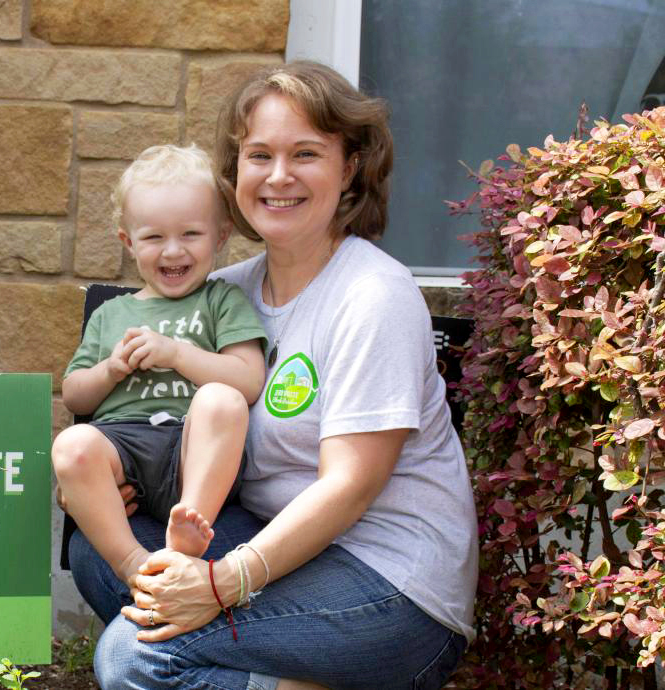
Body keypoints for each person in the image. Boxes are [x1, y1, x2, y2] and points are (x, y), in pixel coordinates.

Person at [68, 62, 479, 690]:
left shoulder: (373, 295)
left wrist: (219, 584)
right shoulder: (222, 296)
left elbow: (349, 489)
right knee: (100, 548)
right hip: (273, 541)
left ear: (349, 166)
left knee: (136, 657)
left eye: (305, 153)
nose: (279, 176)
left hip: (388, 583)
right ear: (236, 174)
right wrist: (126, 479)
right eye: (259, 155)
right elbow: (168, 428)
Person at [54, 144, 269, 590]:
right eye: (154, 237)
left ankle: (189, 524)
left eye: (191, 234)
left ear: (220, 235)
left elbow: (248, 380)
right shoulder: (110, 314)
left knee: (222, 400)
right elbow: (75, 395)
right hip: (124, 446)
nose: (173, 251)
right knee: (73, 444)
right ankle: (130, 561)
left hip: (194, 451)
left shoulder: (221, 300)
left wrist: (176, 354)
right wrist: (111, 369)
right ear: (128, 242)